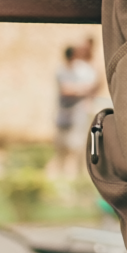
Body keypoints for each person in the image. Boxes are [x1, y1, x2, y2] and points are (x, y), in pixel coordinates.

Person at [53, 39, 102, 177]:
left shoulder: (81, 71)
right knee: (62, 150)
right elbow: (66, 90)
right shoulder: (62, 70)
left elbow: (94, 84)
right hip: (64, 116)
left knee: (76, 148)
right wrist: (83, 90)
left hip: (76, 116)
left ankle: (74, 176)